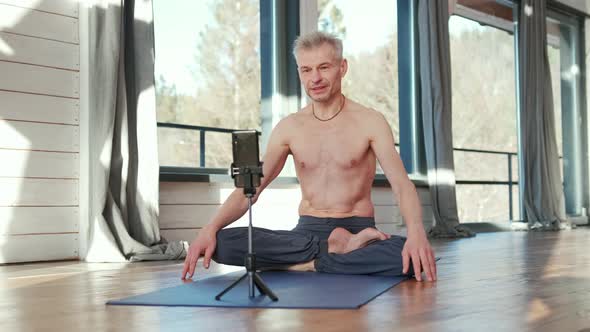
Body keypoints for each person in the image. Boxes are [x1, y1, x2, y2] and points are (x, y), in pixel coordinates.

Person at [181, 31, 437, 282]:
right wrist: (209, 228)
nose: (315, 78)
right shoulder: (290, 127)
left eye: (324, 67)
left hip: (358, 229)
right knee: (223, 244)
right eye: (306, 70)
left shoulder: (370, 122)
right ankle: (328, 255)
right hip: (306, 233)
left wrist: (416, 231)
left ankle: (302, 264)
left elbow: (402, 186)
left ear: (342, 67)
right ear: (300, 73)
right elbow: (251, 188)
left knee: (409, 257)